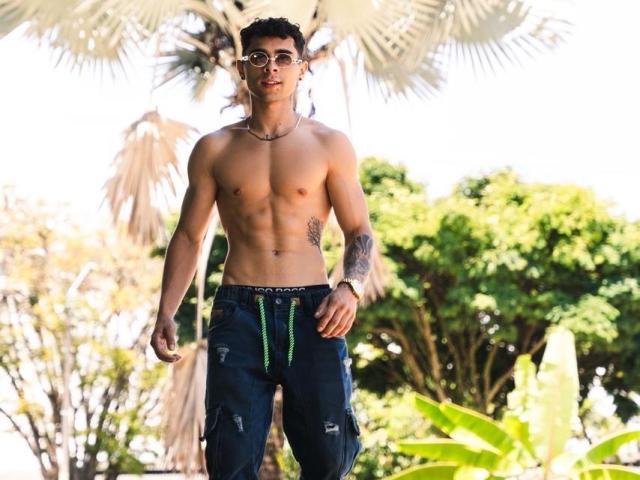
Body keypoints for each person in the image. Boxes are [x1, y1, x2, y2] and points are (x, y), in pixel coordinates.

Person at [150, 16, 373, 479]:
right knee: (229, 460)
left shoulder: (329, 145)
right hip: (240, 312)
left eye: (283, 58)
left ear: (301, 68)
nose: (271, 67)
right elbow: (188, 235)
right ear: (242, 67)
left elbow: (359, 231)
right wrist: (166, 310)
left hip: (314, 312)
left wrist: (350, 287)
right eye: (259, 57)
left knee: (329, 457)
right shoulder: (215, 149)